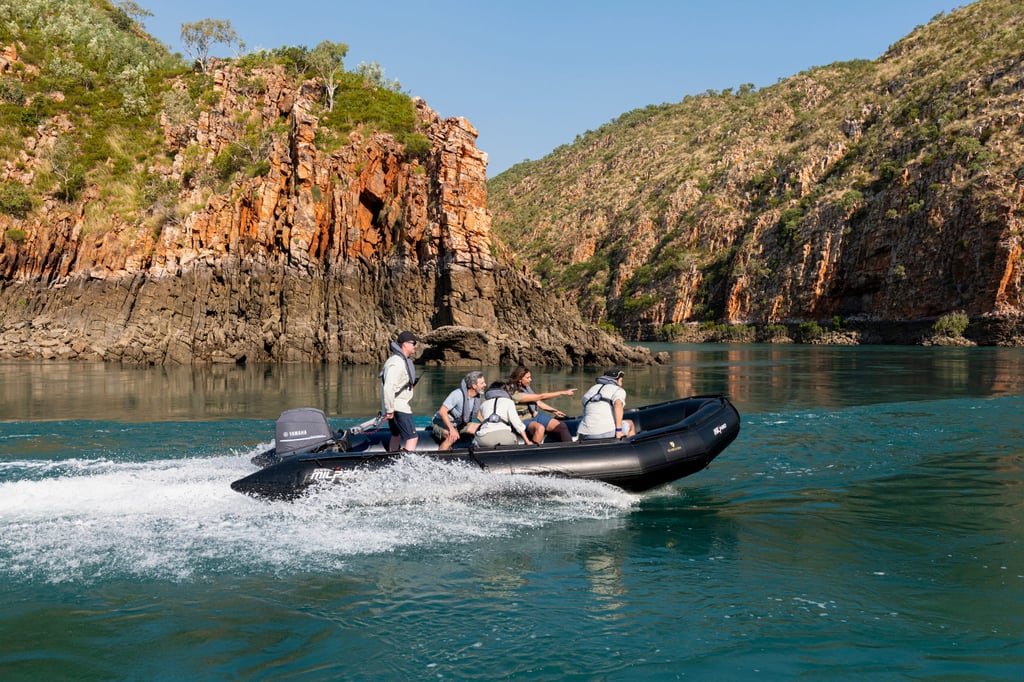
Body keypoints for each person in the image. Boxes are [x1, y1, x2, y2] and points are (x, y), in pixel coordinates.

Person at [508, 365, 575, 443]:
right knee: (540, 428)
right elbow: (541, 397)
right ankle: (533, 453)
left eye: (530, 377)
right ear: (519, 379)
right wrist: (562, 392)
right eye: (527, 378)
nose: (530, 379)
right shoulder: (515, 393)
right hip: (523, 420)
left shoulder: (525, 388)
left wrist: (554, 411)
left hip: (535, 416)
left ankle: (570, 450)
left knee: (562, 426)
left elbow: (538, 402)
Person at [380, 330, 420, 452]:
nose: (415, 346)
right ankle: (407, 468)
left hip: (395, 407)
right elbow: (388, 388)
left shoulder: (399, 361)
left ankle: (392, 462)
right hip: (398, 408)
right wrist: (390, 410)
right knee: (412, 438)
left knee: (396, 435)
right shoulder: (397, 363)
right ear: (405, 344)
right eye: (413, 343)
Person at [432, 370, 486, 450]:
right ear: (474, 386)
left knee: (479, 429)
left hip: (460, 424)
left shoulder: (477, 396)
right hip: (440, 422)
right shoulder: (457, 394)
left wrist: (487, 425)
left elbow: (477, 414)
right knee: (452, 436)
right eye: (482, 383)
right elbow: (442, 411)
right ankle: (439, 459)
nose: (485, 385)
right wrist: (452, 429)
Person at [577, 367, 635, 441]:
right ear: (618, 380)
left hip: (586, 434)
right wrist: (619, 431)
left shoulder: (591, 390)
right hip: (606, 432)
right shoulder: (618, 390)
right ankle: (629, 449)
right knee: (630, 423)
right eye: (621, 381)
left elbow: (586, 412)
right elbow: (618, 405)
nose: (621, 384)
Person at [473, 381, 535, 448]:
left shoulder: (484, 404)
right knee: (515, 439)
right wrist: (527, 441)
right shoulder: (509, 402)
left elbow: (479, 418)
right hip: (504, 438)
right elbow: (517, 424)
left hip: (484, 438)